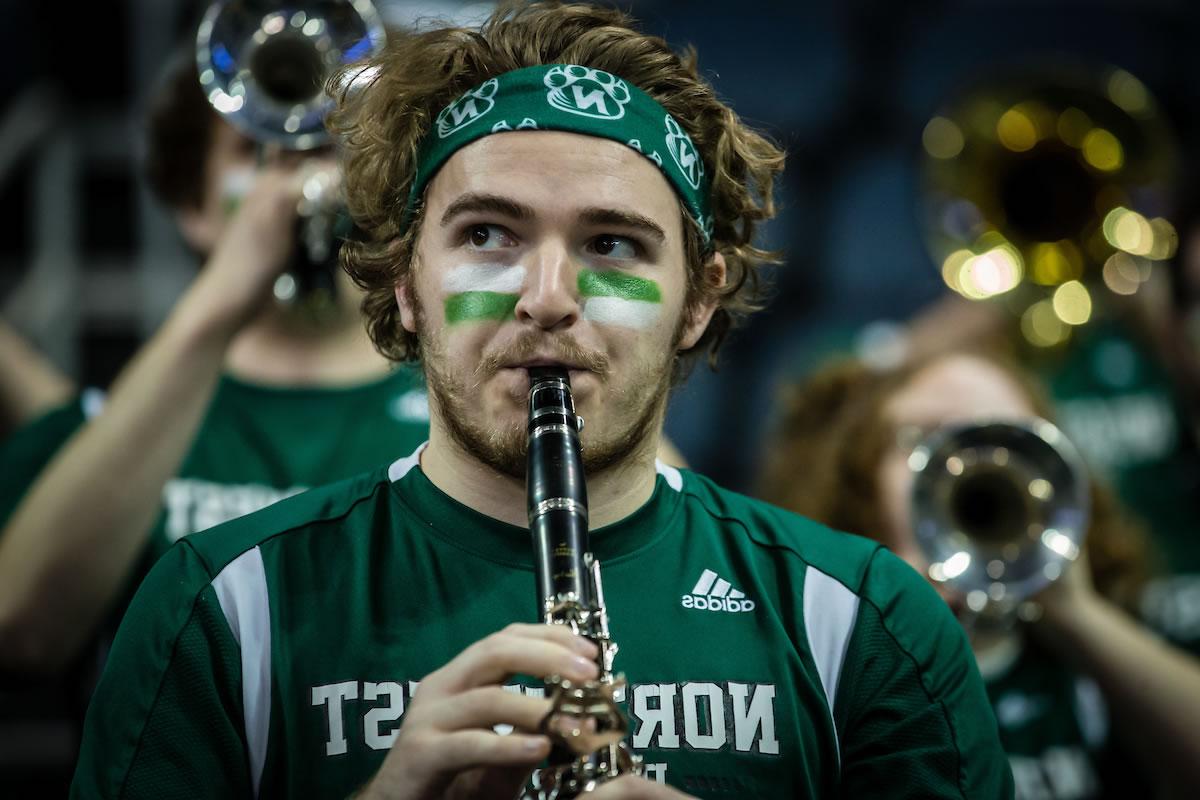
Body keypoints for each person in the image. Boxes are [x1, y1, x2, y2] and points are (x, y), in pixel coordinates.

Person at [70, 3, 1013, 798]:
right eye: (488, 232)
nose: (549, 297)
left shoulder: (865, 618)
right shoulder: (221, 605)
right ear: (404, 283)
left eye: (612, 245)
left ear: (700, 299)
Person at [0, 35, 431, 678]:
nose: (301, 174)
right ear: (192, 204)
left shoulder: (458, 406)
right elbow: (21, 632)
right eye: (256, 149)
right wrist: (225, 294)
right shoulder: (98, 425)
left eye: (328, 145)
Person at [759, 347, 1200, 798]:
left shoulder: (1084, 668)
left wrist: (1077, 613)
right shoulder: (821, 650)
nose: (971, 461)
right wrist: (898, 611)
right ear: (858, 473)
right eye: (927, 436)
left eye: (1009, 439)